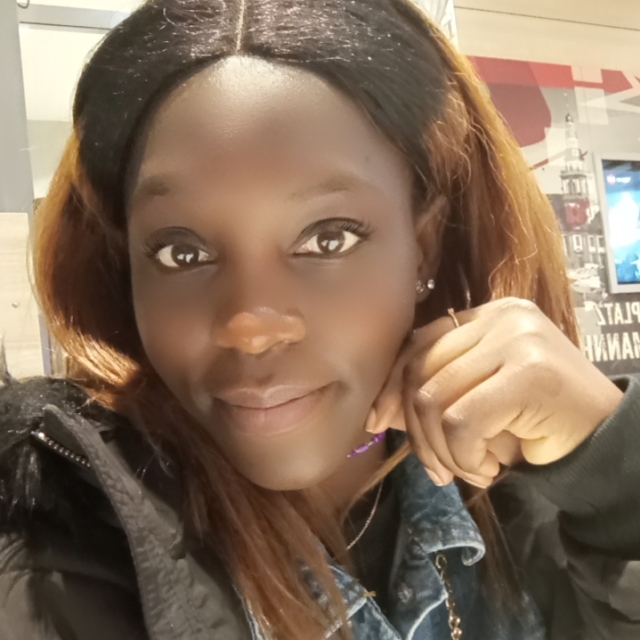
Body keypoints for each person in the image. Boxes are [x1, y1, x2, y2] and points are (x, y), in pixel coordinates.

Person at [1, 1, 639, 638]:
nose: (251, 325)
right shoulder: (58, 561)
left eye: (328, 238)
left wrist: (615, 478)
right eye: (181, 253)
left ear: (424, 247)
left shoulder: (526, 499)